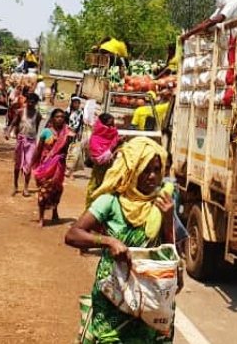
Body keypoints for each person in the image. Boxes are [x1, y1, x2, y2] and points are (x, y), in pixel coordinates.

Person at [64, 137, 187, 344]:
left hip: (149, 296)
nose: (152, 177)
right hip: (113, 293)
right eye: (146, 170)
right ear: (132, 169)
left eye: (157, 170)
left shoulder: (163, 203)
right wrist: (108, 241)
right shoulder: (111, 201)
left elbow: (169, 252)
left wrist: (167, 220)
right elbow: (73, 234)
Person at [32, 108, 73, 227]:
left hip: (59, 165)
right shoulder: (46, 132)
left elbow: (68, 150)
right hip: (45, 165)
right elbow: (39, 149)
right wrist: (33, 164)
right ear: (52, 119)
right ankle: (41, 217)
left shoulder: (67, 133)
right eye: (57, 117)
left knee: (57, 189)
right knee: (43, 191)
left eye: (62, 117)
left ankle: (55, 211)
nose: (60, 119)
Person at [6, 93, 42, 197]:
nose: (30, 103)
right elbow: (13, 123)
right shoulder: (21, 112)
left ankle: (26, 187)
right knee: (17, 165)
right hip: (21, 140)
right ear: (26, 101)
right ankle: (15, 185)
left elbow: (36, 128)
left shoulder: (37, 115)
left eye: (33, 102)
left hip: (31, 142)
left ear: (35, 103)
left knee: (28, 165)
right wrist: (9, 132)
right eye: (29, 101)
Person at [85, 112, 120, 210]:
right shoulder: (95, 140)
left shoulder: (115, 136)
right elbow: (99, 159)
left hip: (113, 172)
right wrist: (114, 147)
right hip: (99, 173)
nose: (111, 128)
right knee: (95, 192)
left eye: (113, 125)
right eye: (109, 125)